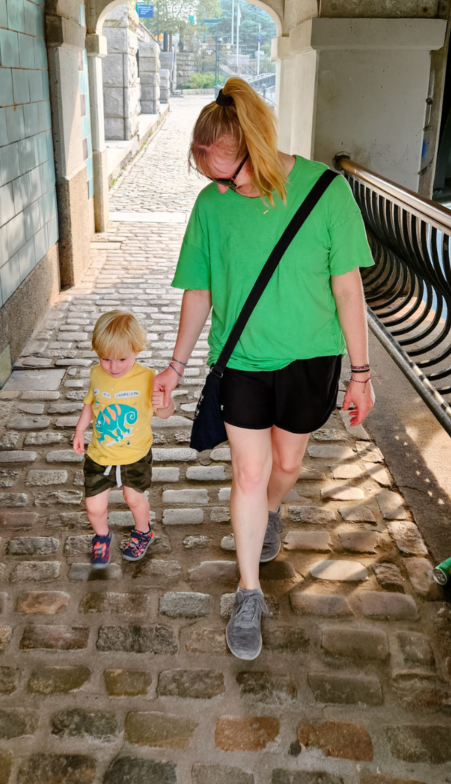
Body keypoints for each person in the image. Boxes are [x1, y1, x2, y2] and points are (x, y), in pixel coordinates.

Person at [153, 77, 375, 660]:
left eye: (231, 174)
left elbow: (348, 289)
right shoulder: (212, 206)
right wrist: (176, 366)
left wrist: (361, 374)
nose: (224, 188)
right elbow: (198, 292)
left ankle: (273, 511)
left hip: (310, 358)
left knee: (286, 463)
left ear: (259, 143)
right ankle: (248, 592)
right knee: (248, 474)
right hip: (241, 362)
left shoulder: (327, 192)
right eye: (212, 180)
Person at [72, 309, 174, 565]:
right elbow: (90, 403)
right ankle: (102, 536)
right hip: (99, 455)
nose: (113, 366)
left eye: (121, 359)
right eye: (105, 359)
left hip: (135, 455)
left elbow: (164, 413)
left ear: (137, 349)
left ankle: (143, 531)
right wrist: (79, 429)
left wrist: (164, 401)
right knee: (94, 506)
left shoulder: (148, 377)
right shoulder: (96, 374)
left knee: (134, 498)